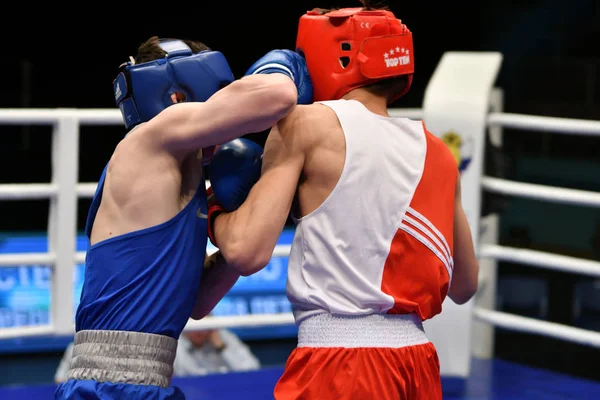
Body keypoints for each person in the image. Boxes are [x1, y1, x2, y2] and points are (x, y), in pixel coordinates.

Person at [207, 2, 480, 399]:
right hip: (417, 365)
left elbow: (246, 251)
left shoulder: (307, 123)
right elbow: (465, 285)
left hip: (339, 365)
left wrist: (214, 207)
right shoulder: (437, 152)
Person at [54, 36, 312, 399]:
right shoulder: (149, 139)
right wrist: (288, 62)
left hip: (146, 381)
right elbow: (280, 96)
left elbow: (197, 303)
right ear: (177, 96)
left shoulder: (182, 181)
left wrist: (238, 225)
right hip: (106, 385)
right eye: (218, 90)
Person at [54, 327, 260, 383]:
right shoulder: (170, 342)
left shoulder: (224, 338)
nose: (200, 329)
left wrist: (221, 347)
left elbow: (252, 372)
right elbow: (60, 381)